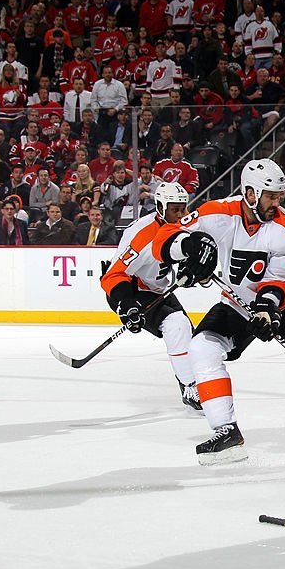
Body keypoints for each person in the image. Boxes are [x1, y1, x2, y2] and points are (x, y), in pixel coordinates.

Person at [153, 159, 285, 465]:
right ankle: (226, 432)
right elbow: (165, 235)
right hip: (236, 303)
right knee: (202, 347)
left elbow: (279, 281)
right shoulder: (216, 214)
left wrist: (268, 310)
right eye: (271, 196)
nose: (277, 202)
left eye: (280, 196)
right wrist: (185, 249)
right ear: (250, 193)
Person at [101, 170, 199, 411]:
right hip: (130, 291)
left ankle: (188, 385)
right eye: (174, 210)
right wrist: (127, 305)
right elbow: (113, 275)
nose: (180, 215)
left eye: (182, 208)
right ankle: (191, 386)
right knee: (176, 324)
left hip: (158, 288)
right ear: (160, 207)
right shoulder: (142, 235)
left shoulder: (183, 226)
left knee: (192, 339)